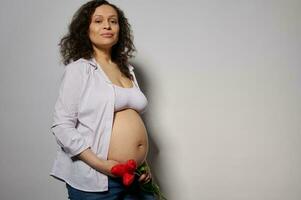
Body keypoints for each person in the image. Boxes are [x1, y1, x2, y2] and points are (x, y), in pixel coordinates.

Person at [49, 0, 155, 199]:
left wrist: (143, 163)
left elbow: (131, 122)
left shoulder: (127, 70)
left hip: (135, 176)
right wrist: (101, 165)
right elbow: (62, 126)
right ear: (85, 29)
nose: (107, 26)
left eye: (113, 21)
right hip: (97, 178)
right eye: (98, 21)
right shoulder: (79, 69)